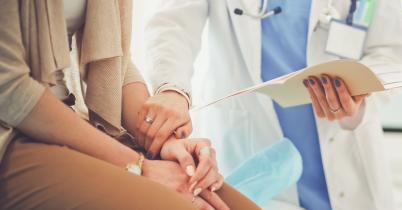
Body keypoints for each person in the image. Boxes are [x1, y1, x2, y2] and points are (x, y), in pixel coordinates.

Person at [144, 0, 402, 209]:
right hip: (255, 154)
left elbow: (391, 53)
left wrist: (360, 93)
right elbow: (173, 22)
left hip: (348, 159)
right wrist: (171, 88)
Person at [0, 0, 260, 209]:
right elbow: (9, 88)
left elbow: (116, 63)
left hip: (66, 120)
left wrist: (160, 139)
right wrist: (139, 165)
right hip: (11, 133)